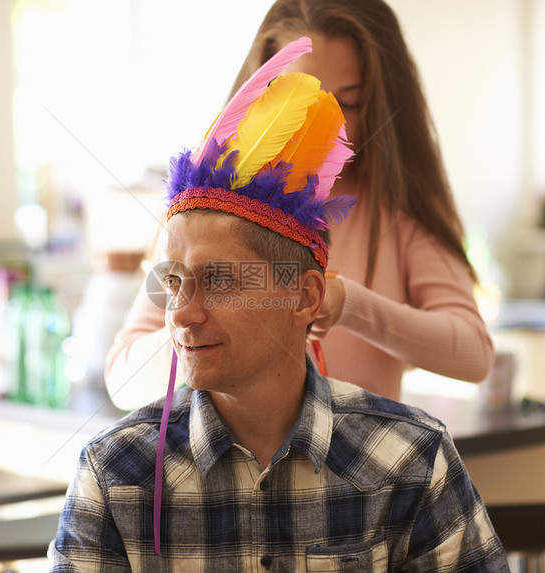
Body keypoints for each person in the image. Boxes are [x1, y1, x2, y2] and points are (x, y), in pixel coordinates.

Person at [50, 38, 508, 571]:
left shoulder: (411, 463)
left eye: (220, 281)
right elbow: (129, 371)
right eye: (173, 284)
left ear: (306, 298)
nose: (179, 312)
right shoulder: (114, 477)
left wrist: (350, 303)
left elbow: (472, 354)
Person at [105, 0, 493, 409]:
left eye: (350, 103)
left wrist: (348, 304)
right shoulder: (205, 207)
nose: (326, 123)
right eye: (300, 97)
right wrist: (212, 325)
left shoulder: (401, 206)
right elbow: (123, 377)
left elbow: (473, 354)